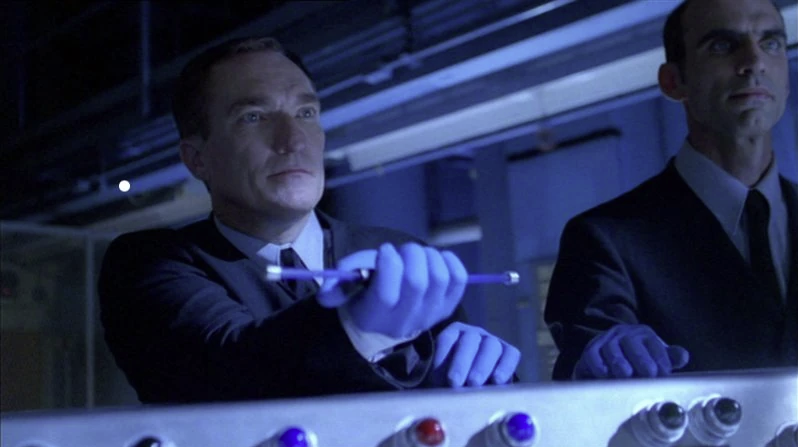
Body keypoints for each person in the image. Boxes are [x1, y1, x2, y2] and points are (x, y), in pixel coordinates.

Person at [98, 37, 520, 403]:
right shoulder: (150, 263)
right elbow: (225, 371)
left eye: (305, 113)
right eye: (253, 117)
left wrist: (483, 375)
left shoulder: (398, 252)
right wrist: (358, 328)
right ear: (197, 159)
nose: (292, 140)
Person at [544, 0, 796, 380]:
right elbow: (586, 378)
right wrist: (603, 359)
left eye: (771, 43)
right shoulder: (605, 240)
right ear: (673, 82)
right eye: (722, 45)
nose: (754, 62)